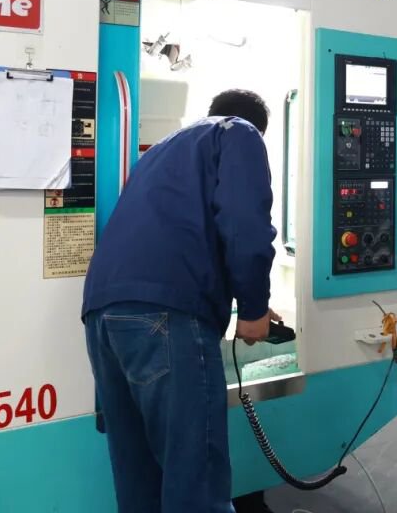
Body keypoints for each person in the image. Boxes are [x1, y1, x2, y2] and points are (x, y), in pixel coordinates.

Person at [82, 89, 279, 513]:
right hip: (164, 316)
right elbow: (245, 227)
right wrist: (253, 309)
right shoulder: (240, 132)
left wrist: (253, 303)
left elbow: (180, 235)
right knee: (195, 480)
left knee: (139, 480)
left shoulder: (161, 151)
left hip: (104, 314)